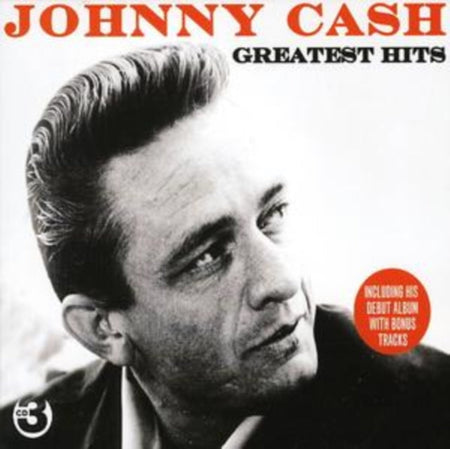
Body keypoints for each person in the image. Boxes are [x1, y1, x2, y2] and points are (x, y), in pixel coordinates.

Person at [1, 44, 449, 449]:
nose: (283, 280)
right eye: (208, 256)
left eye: (272, 215)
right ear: (102, 329)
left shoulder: (432, 414)